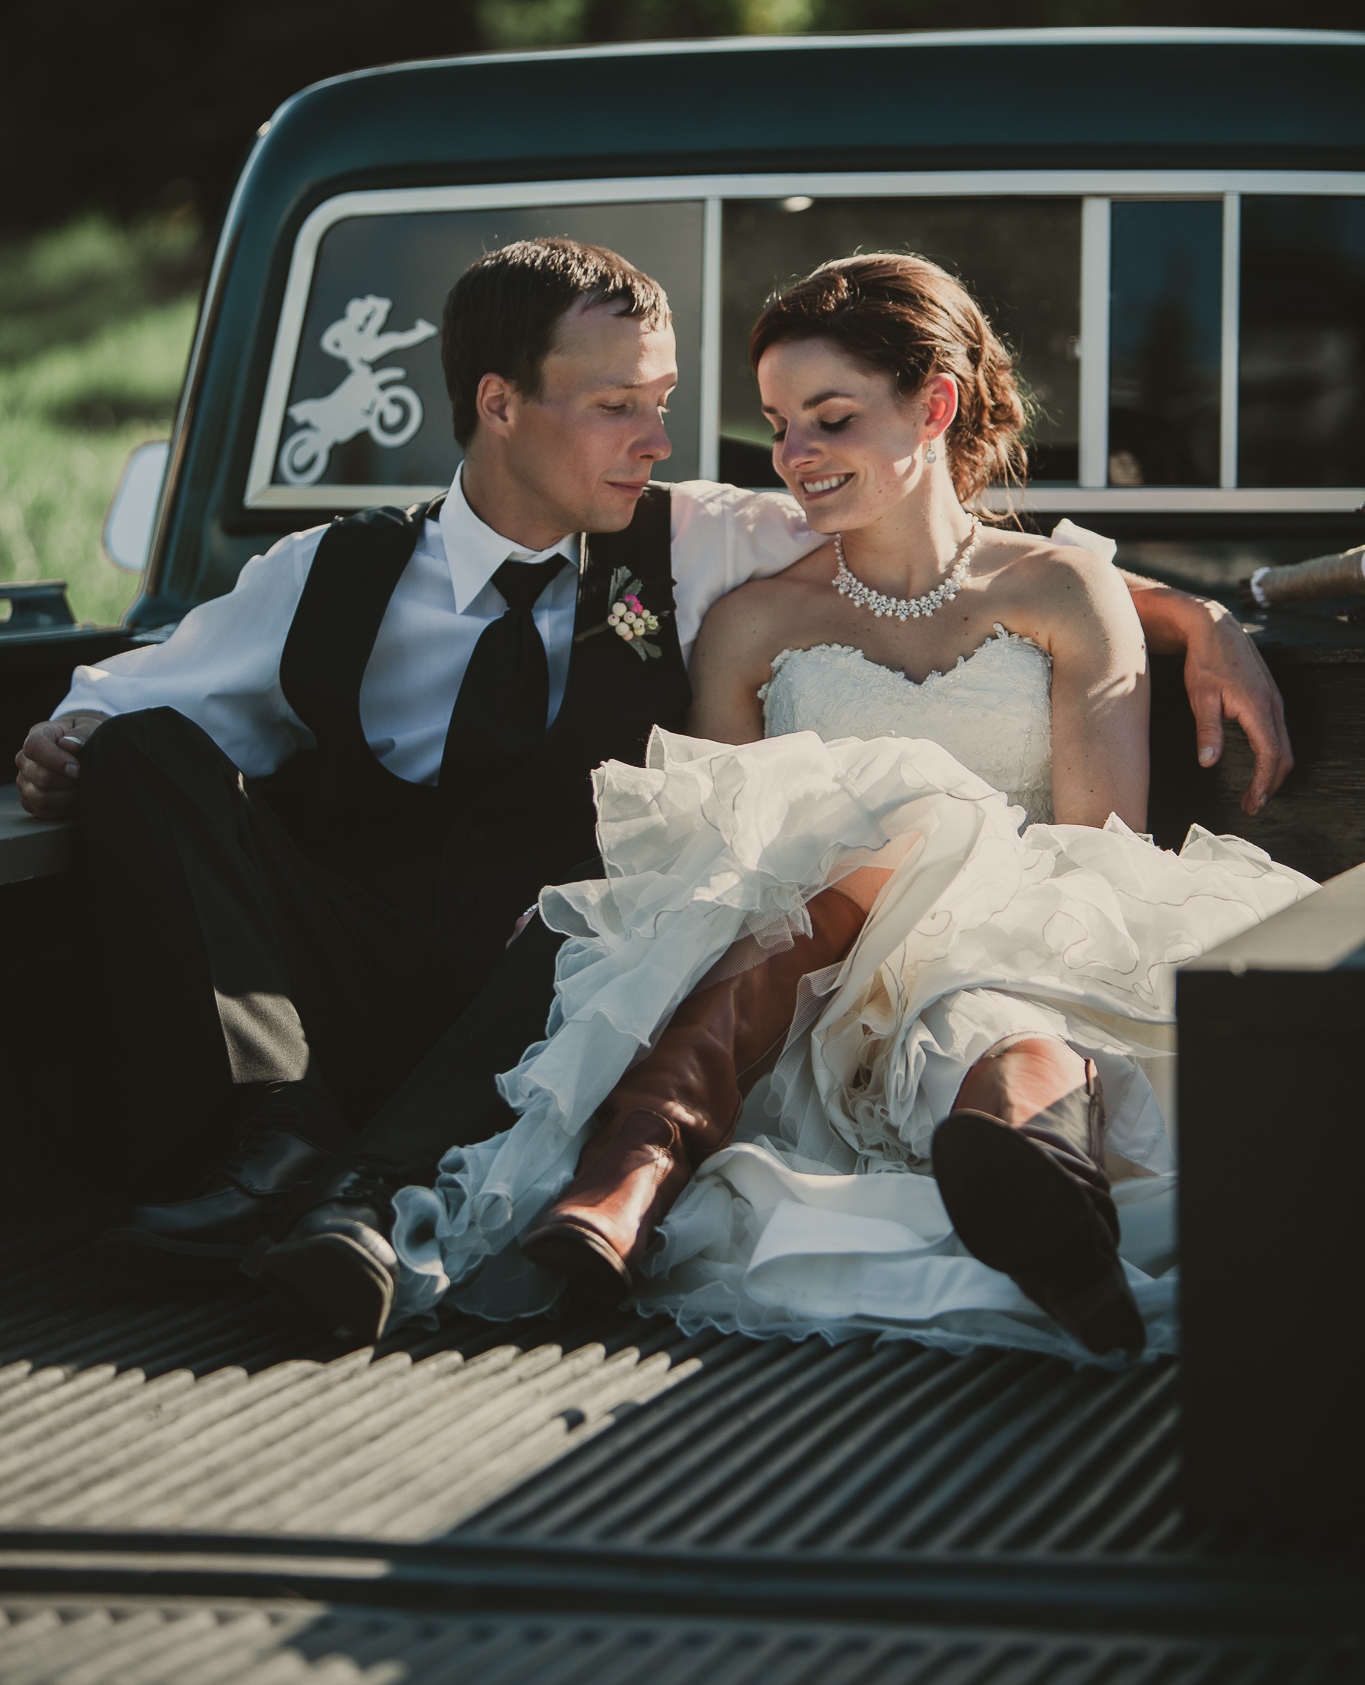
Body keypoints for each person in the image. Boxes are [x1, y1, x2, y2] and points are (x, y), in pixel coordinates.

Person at [15, 241, 1290, 1345]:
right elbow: (140, 688)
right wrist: (65, 735)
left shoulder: (694, 535)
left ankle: (404, 1200)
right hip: (359, 975)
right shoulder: (329, 572)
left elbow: (952, 546)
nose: (667, 440)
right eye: (620, 402)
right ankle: (277, 1135)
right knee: (146, 752)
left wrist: (1198, 612)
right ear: (499, 403)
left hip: (558, 985)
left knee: (615, 900)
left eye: (667, 401)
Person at [389, 254, 1312, 1363]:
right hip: (806, 999)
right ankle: (1011, 1139)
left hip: (1029, 946)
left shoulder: (1062, 591)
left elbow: (1089, 860)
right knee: (876, 816)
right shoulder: (754, 622)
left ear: (935, 404)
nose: (795, 458)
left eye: (830, 418)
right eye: (778, 426)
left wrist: (1198, 612)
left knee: (930, 831)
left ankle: (993, 1141)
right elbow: (715, 863)